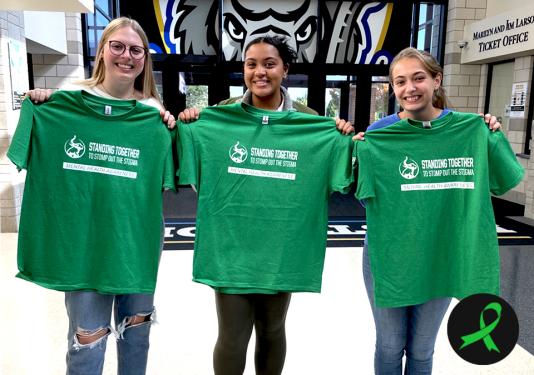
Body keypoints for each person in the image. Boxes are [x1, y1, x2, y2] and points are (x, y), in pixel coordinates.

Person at [178, 35, 354, 375]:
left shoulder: (310, 120)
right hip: (232, 243)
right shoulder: (221, 114)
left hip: (282, 244)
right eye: (251, 64)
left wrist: (340, 135)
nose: (260, 72)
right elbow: (202, 174)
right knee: (232, 335)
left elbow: (326, 178)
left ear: (285, 70)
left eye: (269, 64)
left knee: (273, 329)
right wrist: (190, 125)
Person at [18, 17, 175, 375]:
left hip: (136, 243)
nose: (126, 55)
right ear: (102, 51)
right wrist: (42, 106)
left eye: (136, 50)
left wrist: (170, 127)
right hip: (83, 246)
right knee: (87, 343)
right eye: (117, 46)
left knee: (136, 335)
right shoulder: (67, 102)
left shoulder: (153, 114)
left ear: (144, 60)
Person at [353, 47, 522, 374]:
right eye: (400, 82)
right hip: (389, 255)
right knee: (389, 343)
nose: (409, 88)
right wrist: (360, 157)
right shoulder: (379, 134)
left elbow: (503, 182)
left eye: (418, 78)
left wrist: (492, 136)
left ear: (436, 80)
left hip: (441, 253)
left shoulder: (471, 131)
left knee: (421, 348)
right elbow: (367, 200)